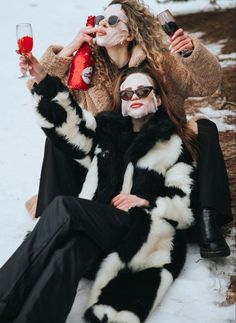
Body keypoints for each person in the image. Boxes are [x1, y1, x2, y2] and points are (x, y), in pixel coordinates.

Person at [20, 0, 232, 257]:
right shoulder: (85, 66)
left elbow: (207, 85)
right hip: (111, 161)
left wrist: (189, 54)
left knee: (205, 127)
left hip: (157, 155)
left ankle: (208, 219)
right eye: (100, 19)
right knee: (58, 138)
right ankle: (49, 223)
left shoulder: (159, 62)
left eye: (111, 21)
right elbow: (41, 88)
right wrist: (72, 46)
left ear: (129, 33)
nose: (101, 25)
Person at [1, 62, 197, 323]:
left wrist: (145, 201)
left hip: (140, 229)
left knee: (63, 208)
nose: (135, 97)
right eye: (127, 94)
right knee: (69, 252)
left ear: (157, 99)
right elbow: (71, 125)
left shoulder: (172, 144)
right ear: (122, 102)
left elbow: (183, 202)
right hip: (102, 229)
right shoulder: (107, 131)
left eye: (143, 91)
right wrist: (45, 81)